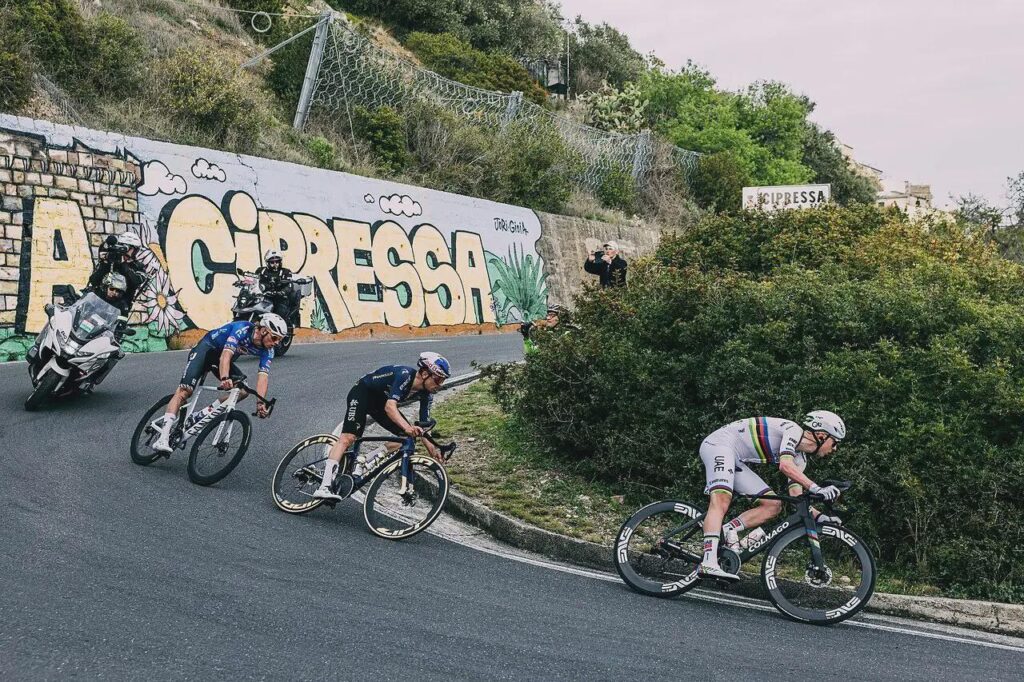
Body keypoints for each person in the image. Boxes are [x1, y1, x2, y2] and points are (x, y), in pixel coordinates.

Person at [697, 410, 846, 581]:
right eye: (835, 443)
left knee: (773, 506)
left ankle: (726, 531)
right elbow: (785, 465)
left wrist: (821, 518)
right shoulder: (793, 430)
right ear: (821, 435)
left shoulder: (800, 460)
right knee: (722, 499)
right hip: (719, 445)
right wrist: (816, 488)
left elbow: (797, 496)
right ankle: (708, 561)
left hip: (735, 458)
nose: (835, 449)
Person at [313, 352, 451, 501]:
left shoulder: (426, 395)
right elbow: (390, 407)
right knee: (348, 438)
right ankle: (324, 487)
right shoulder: (405, 375)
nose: (440, 385)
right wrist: (407, 427)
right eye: (438, 379)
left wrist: (433, 450)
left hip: (380, 403)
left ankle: (364, 461)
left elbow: (424, 427)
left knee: (406, 438)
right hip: (362, 393)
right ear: (424, 374)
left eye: (442, 380)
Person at [151, 313, 286, 452]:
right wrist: (224, 378)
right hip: (206, 350)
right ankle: (163, 437)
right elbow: (225, 356)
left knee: (243, 390)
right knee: (185, 391)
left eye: (279, 340)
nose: (276, 343)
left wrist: (260, 403)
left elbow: (263, 377)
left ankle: (199, 415)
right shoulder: (242, 329)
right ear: (263, 331)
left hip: (220, 360)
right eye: (274, 337)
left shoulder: (268, 351)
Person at [88, 232, 146, 310]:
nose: (132, 252)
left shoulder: (138, 266)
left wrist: (122, 264)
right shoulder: (111, 260)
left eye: (134, 249)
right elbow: (94, 280)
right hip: (98, 303)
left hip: (120, 308)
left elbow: (136, 281)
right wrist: (105, 263)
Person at [256, 249, 300, 321]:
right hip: (263, 296)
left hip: (279, 298)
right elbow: (254, 279)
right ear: (267, 263)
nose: (275, 264)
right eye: (272, 262)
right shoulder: (261, 270)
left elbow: (289, 285)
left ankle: (281, 329)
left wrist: (281, 292)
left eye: (277, 261)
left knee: (279, 314)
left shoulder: (285, 272)